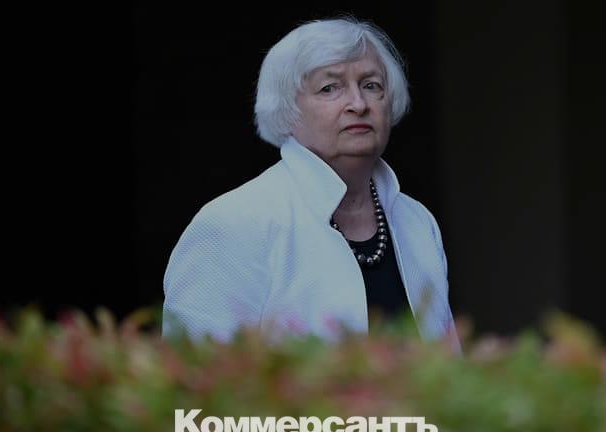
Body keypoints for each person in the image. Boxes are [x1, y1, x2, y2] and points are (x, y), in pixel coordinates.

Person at [162, 17, 459, 351]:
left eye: (371, 85)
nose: (358, 104)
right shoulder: (233, 222)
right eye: (329, 88)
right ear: (287, 110)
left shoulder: (418, 221)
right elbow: (190, 375)